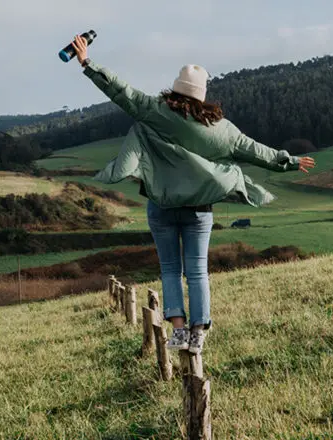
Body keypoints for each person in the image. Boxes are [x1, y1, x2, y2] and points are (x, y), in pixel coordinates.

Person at [68, 35, 316, 354]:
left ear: (175, 89)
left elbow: (120, 91)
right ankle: (199, 332)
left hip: (162, 207)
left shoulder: (156, 112)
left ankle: (179, 331)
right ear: (202, 96)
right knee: (197, 270)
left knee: (170, 269)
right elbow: (258, 152)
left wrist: (87, 63)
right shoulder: (222, 130)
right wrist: (290, 161)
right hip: (199, 210)